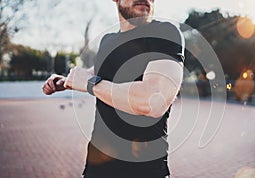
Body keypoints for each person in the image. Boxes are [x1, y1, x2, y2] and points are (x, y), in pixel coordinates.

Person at [42, 0, 184, 177]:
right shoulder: (107, 40)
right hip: (97, 166)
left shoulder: (164, 32)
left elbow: (154, 100)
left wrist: (90, 84)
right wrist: (66, 81)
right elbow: (99, 72)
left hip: (145, 170)